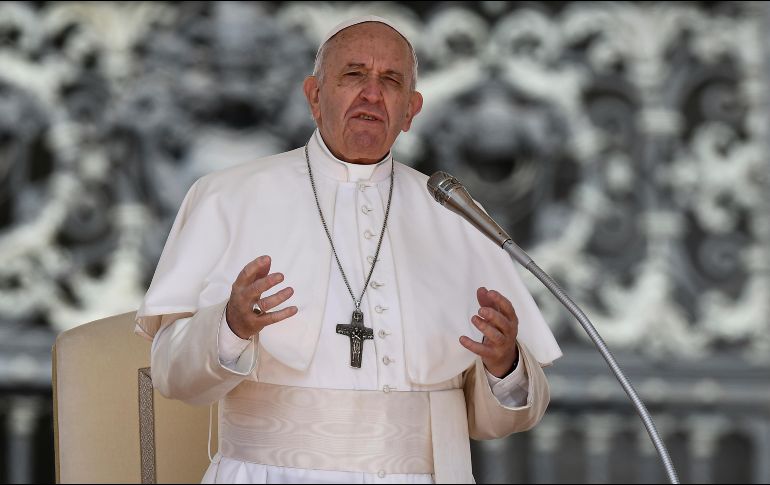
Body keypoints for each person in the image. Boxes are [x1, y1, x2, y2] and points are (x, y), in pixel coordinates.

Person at [135, 15, 562, 484]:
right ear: (315, 96)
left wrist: (503, 364)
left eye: (390, 81)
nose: (372, 94)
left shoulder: (456, 213)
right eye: (354, 75)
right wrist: (230, 327)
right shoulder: (228, 197)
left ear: (411, 110)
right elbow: (171, 373)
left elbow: (502, 417)